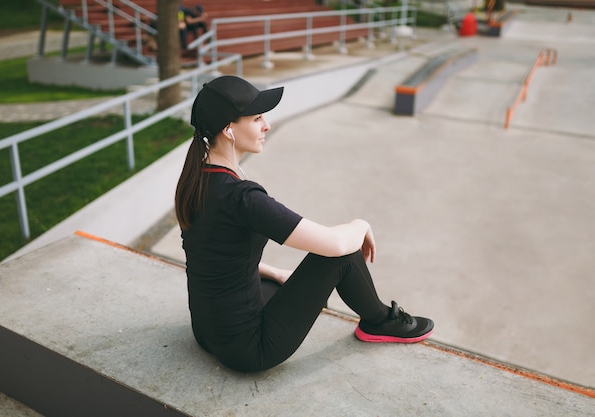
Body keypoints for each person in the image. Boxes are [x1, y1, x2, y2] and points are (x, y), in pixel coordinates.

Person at [174, 75, 434, 373]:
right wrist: (361, 224)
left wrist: (272, 272)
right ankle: (379, 321)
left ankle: (370, 316)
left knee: (277, 279)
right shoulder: (243, 197)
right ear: (229, 129)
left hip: (208, 332)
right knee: (343, 255)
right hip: (250, 348)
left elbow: (211, 254)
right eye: (257, 118)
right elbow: (335, 244)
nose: (266, 125)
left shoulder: (196, 181)